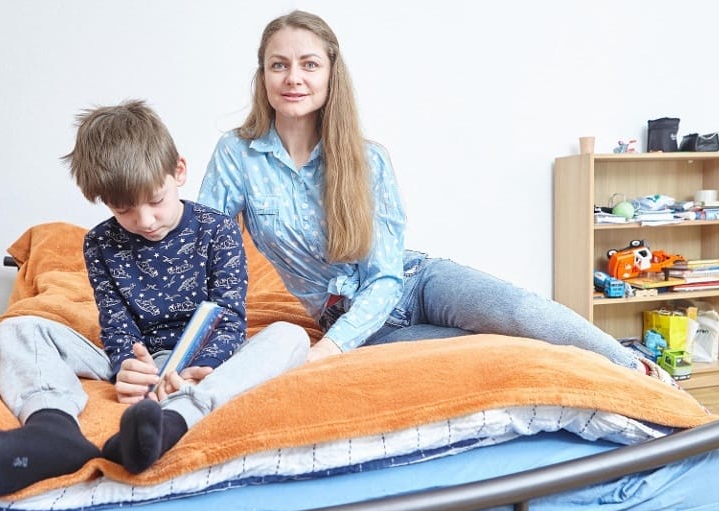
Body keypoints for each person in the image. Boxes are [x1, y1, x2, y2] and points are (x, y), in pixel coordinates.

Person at [198, 10, 663, 377]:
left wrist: (327, 354)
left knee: (523, 313)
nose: (293, 77)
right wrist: (186, 349)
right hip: (356, 324)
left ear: (330, 74)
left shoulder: (368, 159)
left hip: (418, 280)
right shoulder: (236, 154)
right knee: (490, 351)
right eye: (279, 65)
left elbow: (385, 276)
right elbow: (202, 252)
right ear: (263, 76)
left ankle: (642, 373)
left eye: (309, 64)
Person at [0, 100, 310, 496]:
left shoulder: (216, 229)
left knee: (291, 336)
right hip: (137, 357)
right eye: (124, 209)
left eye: (156, 200)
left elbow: (228, 313)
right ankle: (52, 430)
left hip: (201, 357)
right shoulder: (99, 243)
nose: (145, 221)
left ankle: (175, 420)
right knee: (17, 329)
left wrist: (198, 367)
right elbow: (115, 320)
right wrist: (126, 368)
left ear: (178, 171)